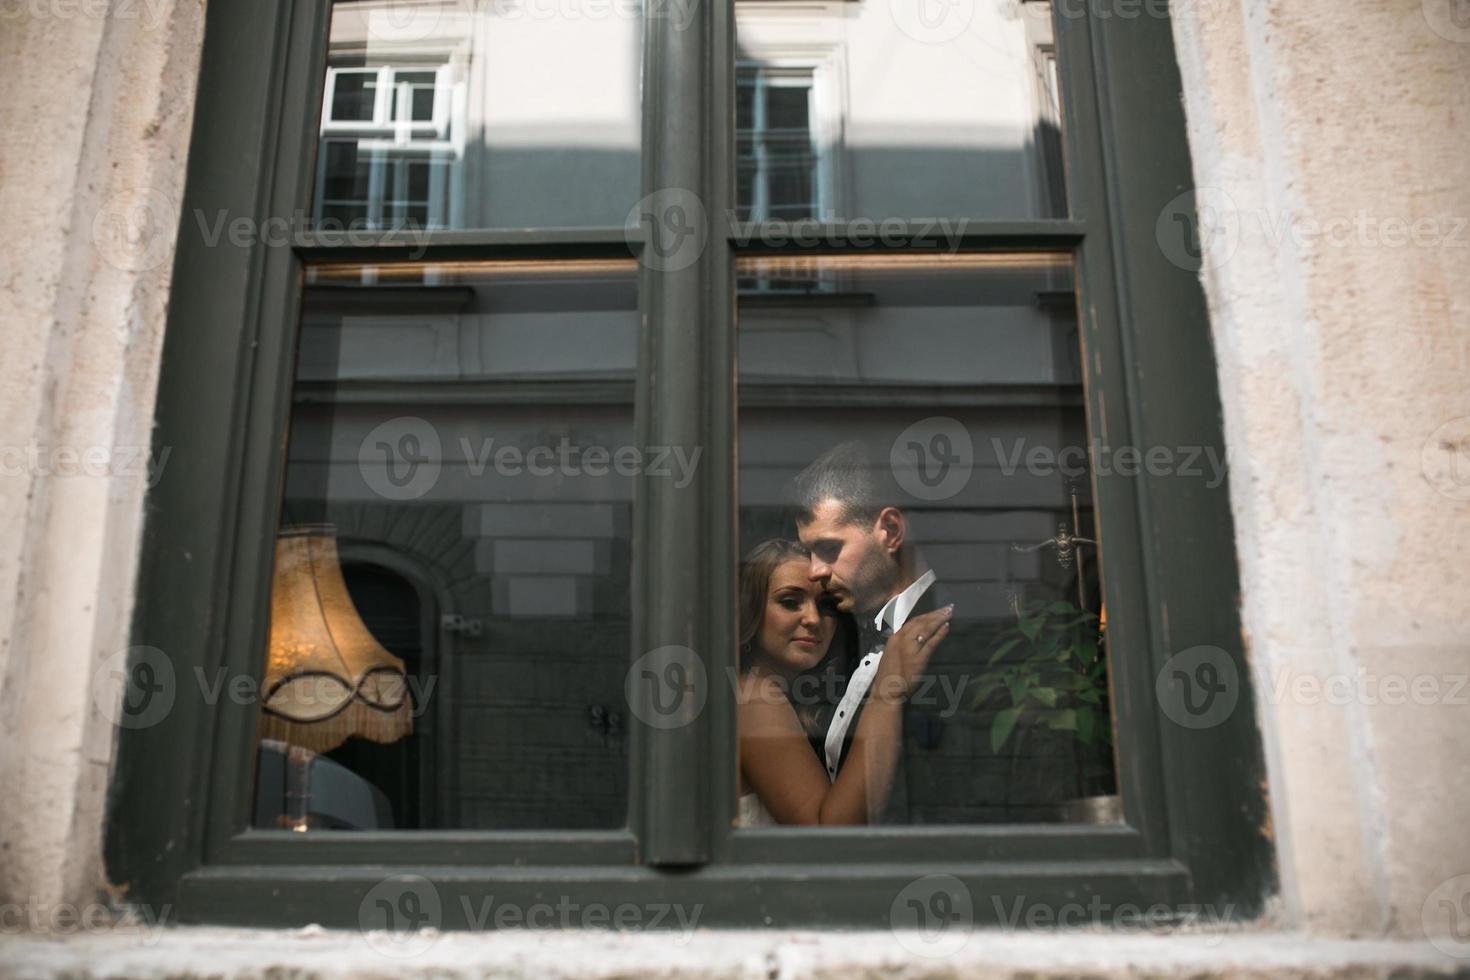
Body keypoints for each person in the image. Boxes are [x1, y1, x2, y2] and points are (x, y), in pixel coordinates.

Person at [735, 538, 952, 826]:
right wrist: (887, 693)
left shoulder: (781, 697)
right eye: (790, 602)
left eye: (826, 606)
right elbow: (829, 835)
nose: (813, 619)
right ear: (750, 611)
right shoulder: (755, 698)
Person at [792, 441, 949, 790]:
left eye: (829, 549)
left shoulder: (946, 630)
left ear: (891, 531)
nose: (814, 570)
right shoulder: (842, 635)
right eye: (809, 552)